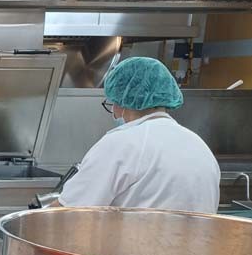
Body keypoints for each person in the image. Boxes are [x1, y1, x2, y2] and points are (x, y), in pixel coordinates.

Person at [54, 57, 220, 213]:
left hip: (138, 243)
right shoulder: (198, 144)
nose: (114, 112)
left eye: (111, 103)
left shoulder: (121, 143)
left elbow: (67, 211)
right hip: (198, 243)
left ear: (121, 101)